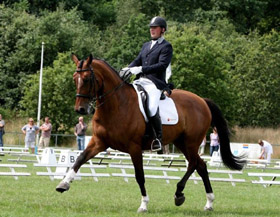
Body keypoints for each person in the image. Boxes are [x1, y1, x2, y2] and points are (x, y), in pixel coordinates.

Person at [121, 16, 173, 153]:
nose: (152, 30)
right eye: (151, 28)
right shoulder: (146, 45)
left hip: (155, 83)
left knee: (150, 107)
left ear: (163, 30)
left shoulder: (166, 46)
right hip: (140, 81)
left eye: (155, 28)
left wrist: (141, 69)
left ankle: (158, 139)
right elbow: (137, 60)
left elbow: (162, 65)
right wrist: (127, 68)